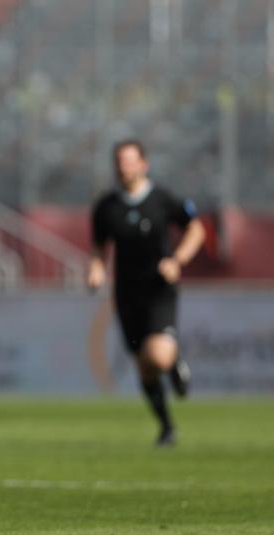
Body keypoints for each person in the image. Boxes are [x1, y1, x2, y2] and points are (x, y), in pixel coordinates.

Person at [88, 139, 205, 447]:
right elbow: (100, 247)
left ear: (143, 164)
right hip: (127, 294)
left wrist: (177, 260)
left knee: (159, 355)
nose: (123, 167)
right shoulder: (106, 207)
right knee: (145, 366)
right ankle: (166, 427)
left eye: (130, 161)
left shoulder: (162, 199)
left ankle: (174, 357)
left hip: (159, 290)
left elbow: (196, 229)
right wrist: (97, 268)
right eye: (119, 162)